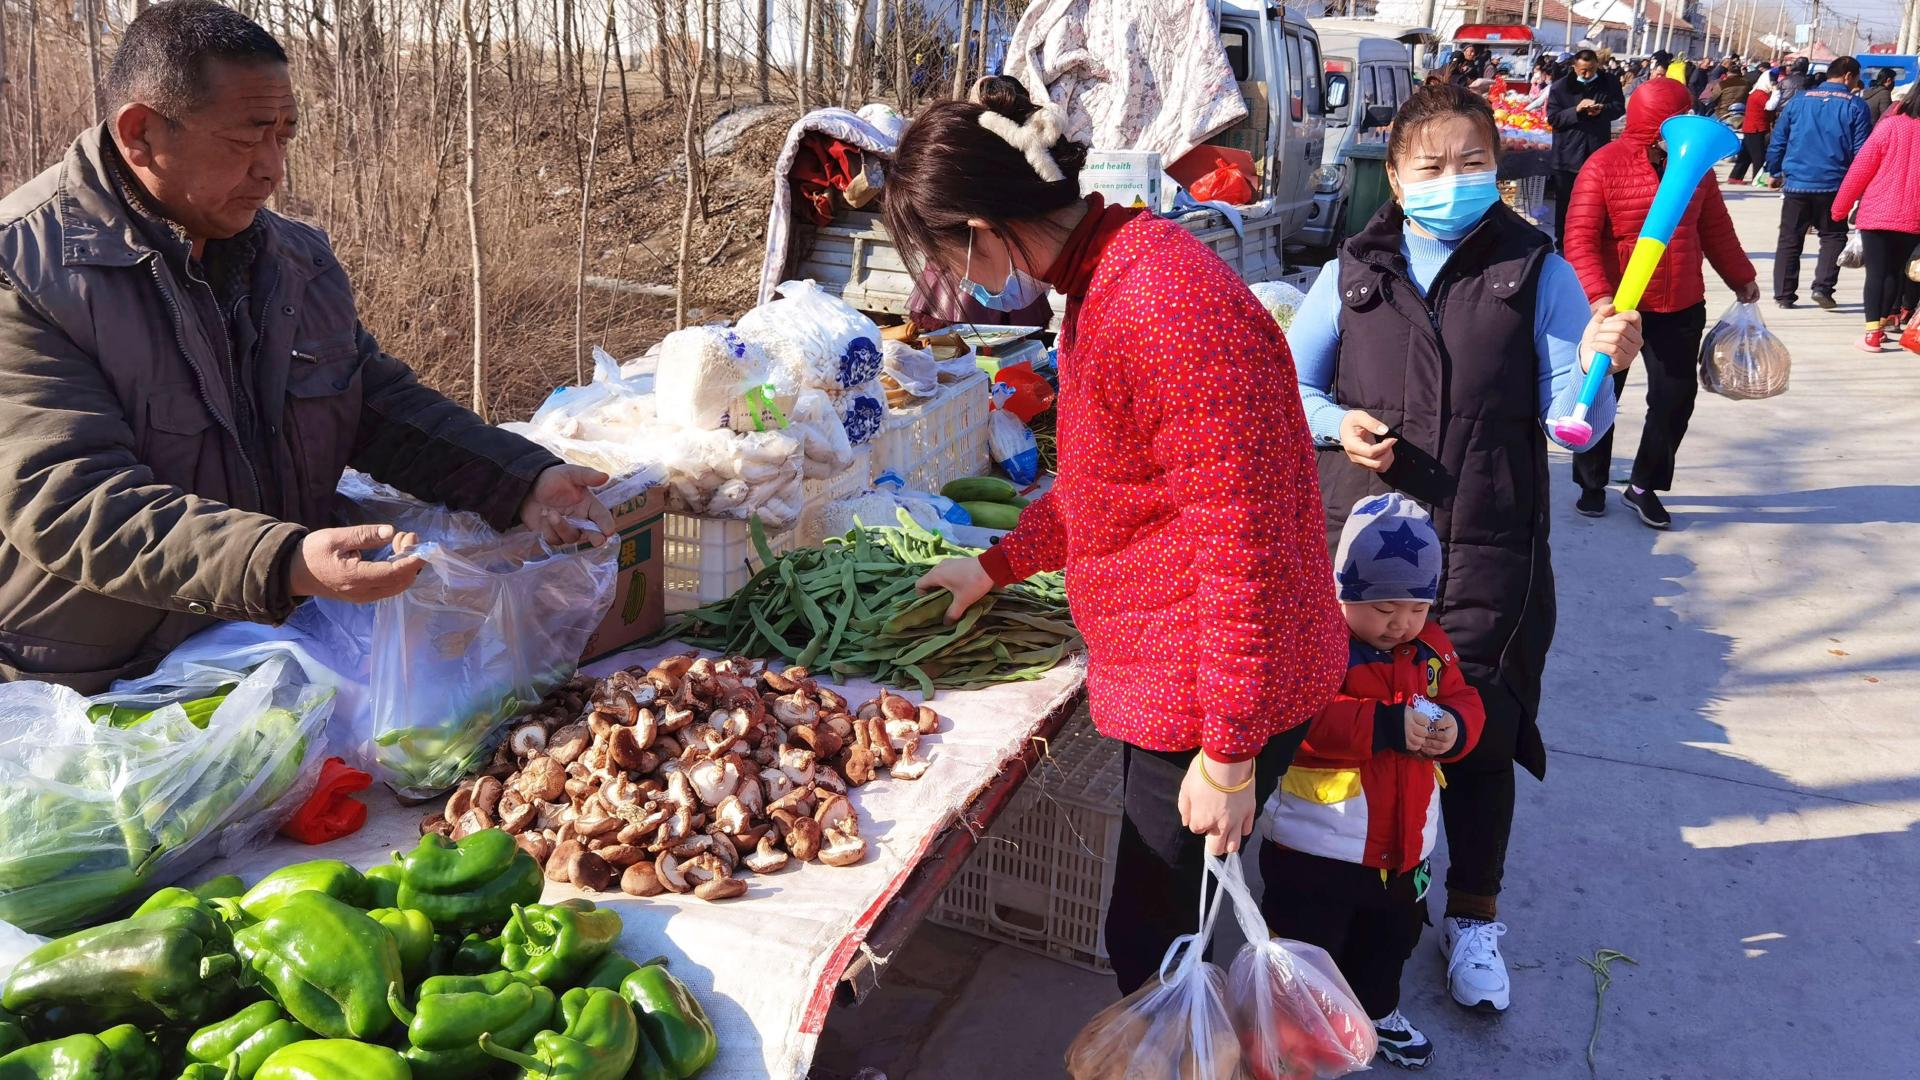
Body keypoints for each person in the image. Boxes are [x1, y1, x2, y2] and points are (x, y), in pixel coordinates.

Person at [0, 0, 613, 689]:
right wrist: (283, 561)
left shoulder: (294, 261)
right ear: (141, 134)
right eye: (246, 139)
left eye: (284, 136)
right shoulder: (25, 271)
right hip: (102, 683)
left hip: (277, 646)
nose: (272, 169)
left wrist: (519, 478)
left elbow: (375, 405)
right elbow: (71, 500)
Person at [893, 76, 1348, 994]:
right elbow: (1111, 485)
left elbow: (1243, 541)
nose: (954, 284)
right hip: (1189, 664)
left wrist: (1227, 747)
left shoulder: (1158, 303)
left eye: (946, 256)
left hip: (1211, 680)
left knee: (1160, 939)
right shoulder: (1109, 277)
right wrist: (995, 566)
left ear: (981, 232)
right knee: (1162, 925)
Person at [1287, 82, 1645, 1013]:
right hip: (1366, 547)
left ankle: (1474, 914)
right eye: (1433, 166)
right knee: (1355, 721)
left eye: (1473, 163)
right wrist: (1336, 423)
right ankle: (1356, 903)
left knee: (1476, 726)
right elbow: (1292, 388)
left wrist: (1609, 365)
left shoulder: (1536, 271)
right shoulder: (1351, 273)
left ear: (1501, 170)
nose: (1454, 181)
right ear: (1397, 179)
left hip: (1489, 541)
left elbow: (1578, 425)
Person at [1259, 494, 1485, 1071]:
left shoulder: (1431, 649)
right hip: (1319, 845)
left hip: (1405, 845)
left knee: (1390, 939)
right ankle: (1300, 1030)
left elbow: (1464, 700)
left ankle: (1376, 1011)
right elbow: (1299, 718)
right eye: (1384, 607)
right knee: (1310, 945)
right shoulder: (1316, 645)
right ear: (1344, 593)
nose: (1401, 623)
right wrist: (1384, 725)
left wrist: (1454, 729)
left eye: (1416, 607)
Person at [1563, 78, 1761, 528]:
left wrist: (1742, 277)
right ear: (1657, 124)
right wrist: (1598, 295)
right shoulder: (1604, 165)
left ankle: (1643, 485)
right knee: (1599, 395)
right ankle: (1591, 484)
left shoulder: (1699, 168)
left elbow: (1716, 230)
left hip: (1681, 303)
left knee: (1674, 398)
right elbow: (1578, 239)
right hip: (1618, 307)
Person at [1765, 56, 1873, 309]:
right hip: (1835, 184)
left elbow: (1779, 138)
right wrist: (1860, 187)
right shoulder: (1856, 106)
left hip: (1797, 183)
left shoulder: (1799, 101)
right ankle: (1822, 288)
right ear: (1848, 76)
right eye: (1856, 78)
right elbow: (1861, 152)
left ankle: (1784, 295)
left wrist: (1773, 170)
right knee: (1833, 236)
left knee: (1790, 238)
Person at [1832, 88, 1920, 352]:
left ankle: (1872, 334)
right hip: (1913, 216)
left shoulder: (1890, 126)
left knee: (1876, 274)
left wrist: (1840, 208)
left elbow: (1861, 169)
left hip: (1877, 213)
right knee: (1894, 272)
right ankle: (1882, 324)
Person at [1547, 49, 1626, 251]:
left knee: (1595, 202)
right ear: (1574, 67)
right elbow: (1554, 119)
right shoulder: (1560, 87)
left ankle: (1592, 242)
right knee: (1565, 202)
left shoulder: (1609, 82)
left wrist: (1602, 110)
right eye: (1583, 70)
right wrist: (1576, 111)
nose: (1587, 75)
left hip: (1596, 150)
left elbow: (1619, 108)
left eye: (1591, 70)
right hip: (1567, 154)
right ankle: (1563, 243)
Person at [1728, 70, 1775, 184]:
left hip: (1751, 127)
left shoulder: (1757, 93)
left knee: (1746, 155)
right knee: (1759, 156)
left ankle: (1735, 177)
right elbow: (1770, 107)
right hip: (1756, 128)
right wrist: (1776, 93)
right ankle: (1760, 179)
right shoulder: (1760, 94)